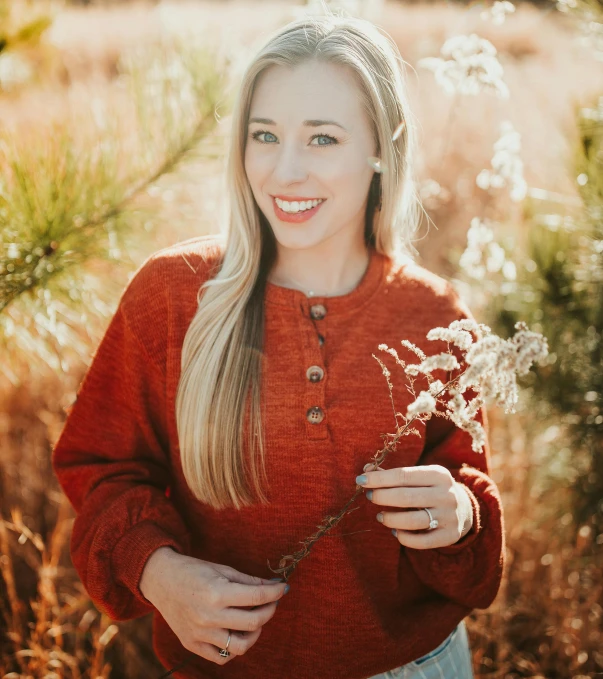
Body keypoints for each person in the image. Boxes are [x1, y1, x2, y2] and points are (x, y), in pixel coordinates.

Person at [51, 11, 506, 679]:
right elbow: (101, 467)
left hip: (414, 663)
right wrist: (157, 571)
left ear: (380, 148)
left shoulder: (431, 313)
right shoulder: (173, 294)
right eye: (264, 135)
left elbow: (469, 490)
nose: (285, 170)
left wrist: (460, 512)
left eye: (322, 138)